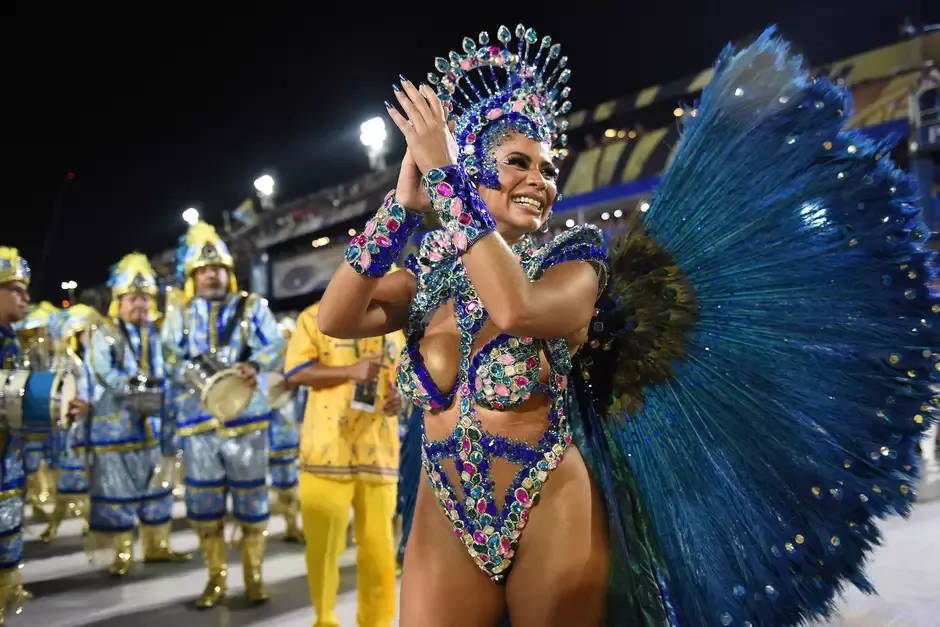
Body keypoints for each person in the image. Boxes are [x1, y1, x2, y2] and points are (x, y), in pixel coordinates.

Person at [317, 25, 940, 626]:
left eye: (546, 168)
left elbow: (516, 310)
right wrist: (401, 208)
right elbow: (336, 316)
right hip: (443, 510)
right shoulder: (430, 277)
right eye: (518, 162)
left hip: (549, 506)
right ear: (473, 168)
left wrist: (448, 182)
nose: (541, 180)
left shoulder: (573, 262)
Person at [162, 221, 284, 608]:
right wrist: (193, 378)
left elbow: (276, 346)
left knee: (252, 504)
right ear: (192, 278)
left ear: (228, 273)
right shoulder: (179, 315)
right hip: (198, 426)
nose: (211, 275)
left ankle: (254, 577)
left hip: (247, 422)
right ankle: (216, 579)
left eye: (217, 269)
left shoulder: (253, 306)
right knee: (204, 507)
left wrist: (255, 366)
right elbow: (169, 358)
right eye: (202, 271)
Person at [284, 301, 405, 627]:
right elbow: (295, 371)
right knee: (323, 550)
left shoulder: (395, 323)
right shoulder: (315, 316)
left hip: (379, 451)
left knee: (380, 551)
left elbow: (405, 378)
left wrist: (402, 399)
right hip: (325, 451)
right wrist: (349, 372)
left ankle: (377, 622)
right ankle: (325, 619)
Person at [85, 253, 191, 574]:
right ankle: (122, 553)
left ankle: (157, 546)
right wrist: (135, 388)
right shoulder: (103, 333)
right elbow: (102, 371)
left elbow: (173, 368)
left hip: (154, 428)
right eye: (134, 299)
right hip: (117, 429)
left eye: (146, 299)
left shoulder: (157, 335)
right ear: (120, 301)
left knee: (158, 487)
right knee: (117, 489)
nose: (141, 306)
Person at [0, 247, 87, 623]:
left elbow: (18, 402)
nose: (27, 298)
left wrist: (58, 406)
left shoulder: (10, 342)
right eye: (16, 289)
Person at [39, 304, 96, 542]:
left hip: (73, 428)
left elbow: (81, 393)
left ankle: (82, 520)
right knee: (59, 476)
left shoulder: (74, 362)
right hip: (56, 429)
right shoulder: (51, 362)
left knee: (73, 478)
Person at [268, 315, 304, 543]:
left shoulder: (296, 355)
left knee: (287, 474)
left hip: (285, 420)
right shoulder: (268, 355)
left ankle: (292, 524)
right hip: (265, 418)